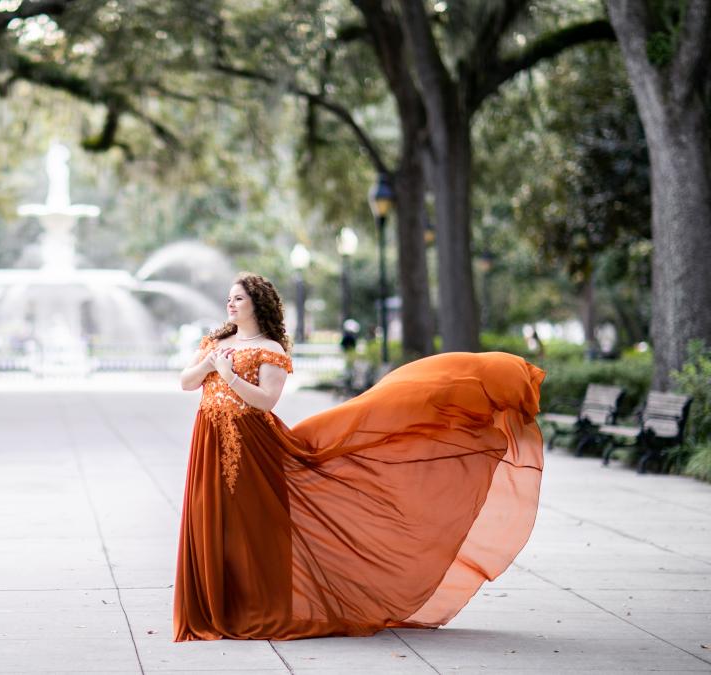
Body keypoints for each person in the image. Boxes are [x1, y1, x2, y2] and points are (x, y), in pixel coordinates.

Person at [174, 272, 546, 641]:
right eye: (229, 298)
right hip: (209, 439)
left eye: (238, 298)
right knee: (208, 515)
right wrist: (208, 366)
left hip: (251, 446)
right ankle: (212, 606)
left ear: (257, 303)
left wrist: (229, 375)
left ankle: (252, 607)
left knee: (247, 524)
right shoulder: (215, 342)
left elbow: (266, 402)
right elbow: (186, 382)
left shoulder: (270, 349)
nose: (230, 303)